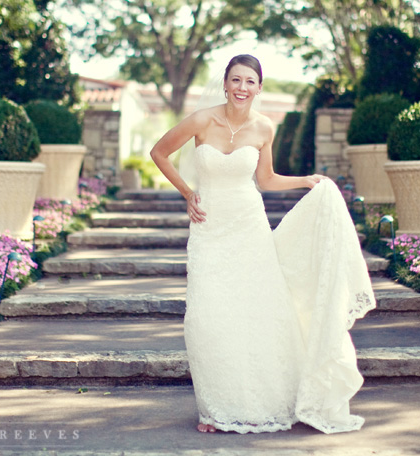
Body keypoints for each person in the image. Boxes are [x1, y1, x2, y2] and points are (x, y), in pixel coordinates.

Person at [150, 54, 375, 434]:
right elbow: (159, 152)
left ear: (259, 87)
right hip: (209, 229)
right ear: (225, 84)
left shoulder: (264, 128)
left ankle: (256, 404)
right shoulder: (202, 120)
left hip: (249, 227)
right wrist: (188, 193)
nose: (241, 87)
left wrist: (306, 181)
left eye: (249, 81)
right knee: (207, 317)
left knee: (253, 314)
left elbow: (266, 180)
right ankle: (215, 408)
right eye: (235, 80)